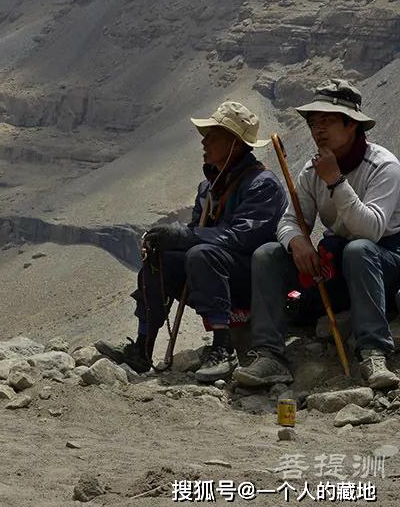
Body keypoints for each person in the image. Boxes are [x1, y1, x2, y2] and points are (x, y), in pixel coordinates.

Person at [97, 101, 287, 382]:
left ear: (234, 143)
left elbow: (243, 237)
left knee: (201, 253)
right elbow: (197, 231)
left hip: (252, 280)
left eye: (213, 136)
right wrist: (167, 240)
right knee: (160, 257)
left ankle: (223, 348)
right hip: (213, 271)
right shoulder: (210, 186)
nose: (204, 142)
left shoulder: (263, 185)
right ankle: (142, 347)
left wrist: (185, 237)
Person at [233, 80, 400, 391]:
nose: (317, 130)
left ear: (352, 125)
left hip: (384, 262)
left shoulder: (383, 167)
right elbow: (289, 221)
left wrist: (336, 182)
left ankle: (374, 351)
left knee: (359, 249)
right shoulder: (312, 172)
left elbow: (371, 229)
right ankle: (269, 354)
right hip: (339, 261)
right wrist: (297, 242)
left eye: (328, 121)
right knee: (267, 254)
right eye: (313, 122)